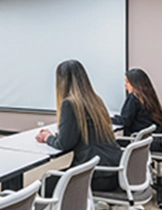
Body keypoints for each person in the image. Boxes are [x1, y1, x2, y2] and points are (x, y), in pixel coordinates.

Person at [36, 60, 121, 192]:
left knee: (46, 184)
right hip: (114, 171)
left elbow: (64, 144)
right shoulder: (96, 100)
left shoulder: (70, 104)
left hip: (97, 175)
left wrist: (48, 137)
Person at [112, 68, 162, 150]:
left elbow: (125, 121)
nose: (125, 85)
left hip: (142, 141)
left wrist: (107, 119)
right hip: (155, 139)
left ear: (135, 84)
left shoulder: (133, 98)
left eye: (127, 82)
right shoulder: (148, 96)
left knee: (109, 145)